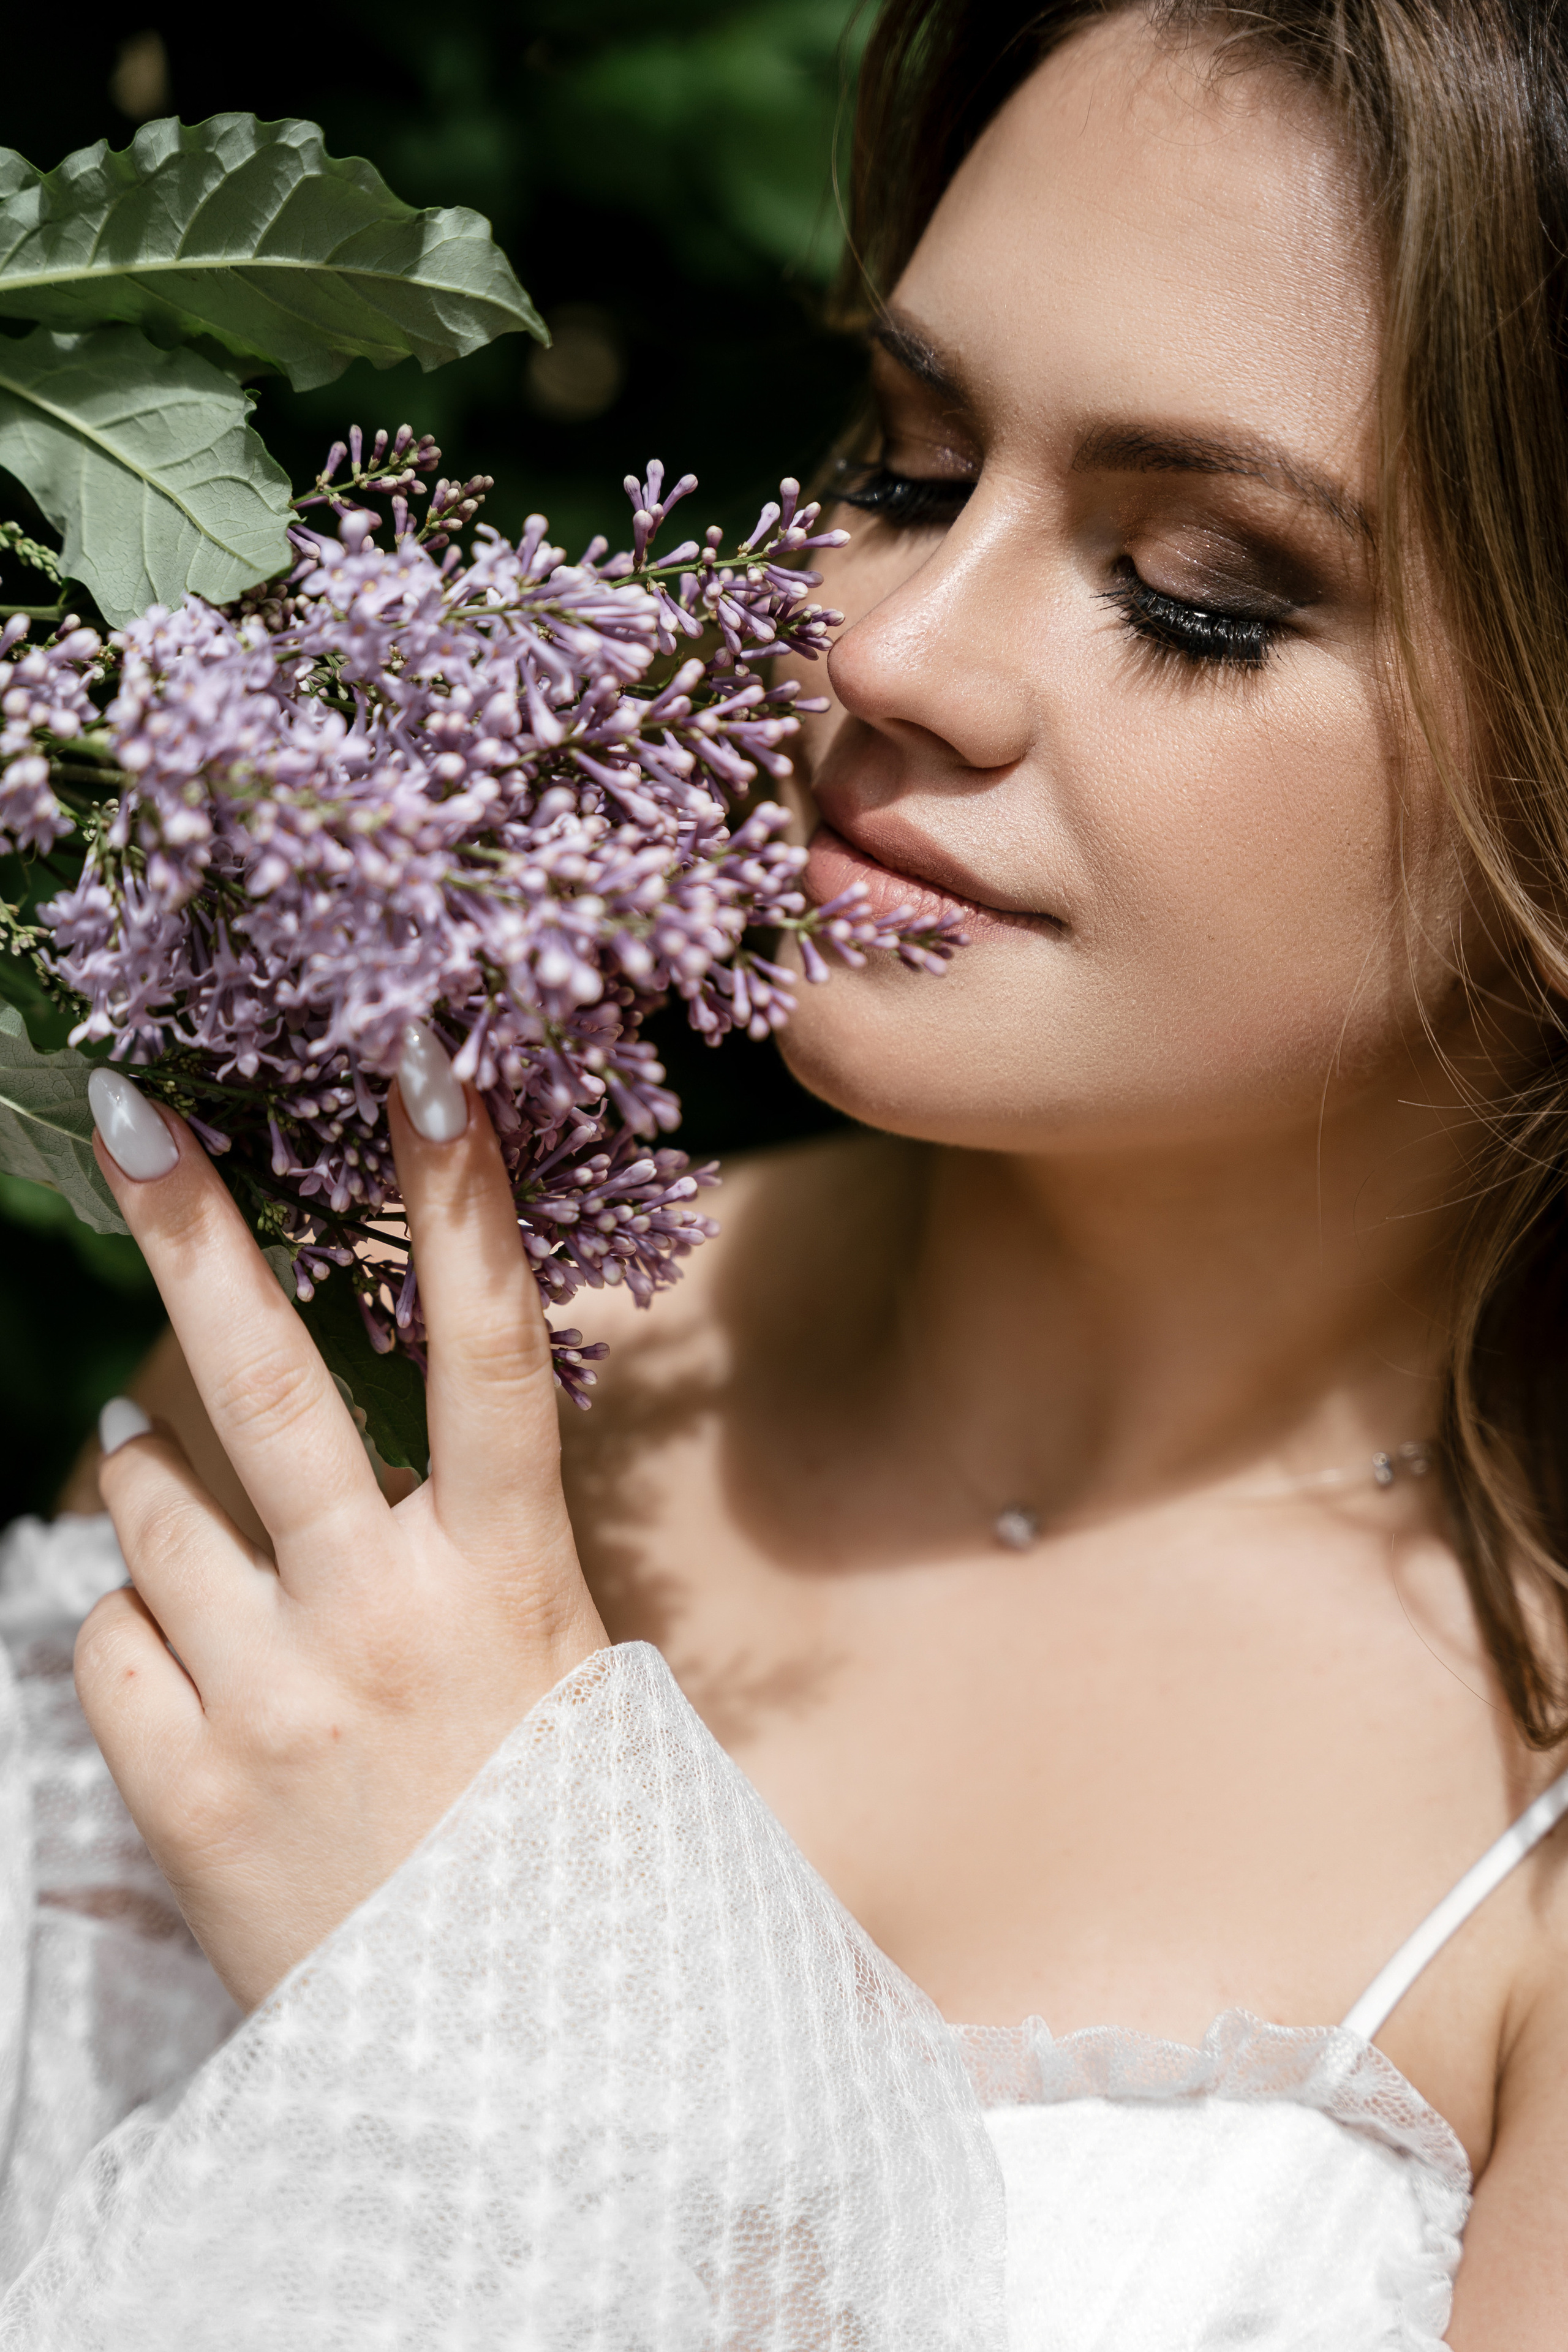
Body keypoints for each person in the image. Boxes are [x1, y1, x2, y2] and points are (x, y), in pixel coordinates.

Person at [1, 0, 1565, 2339]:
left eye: (1197, 592)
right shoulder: (378, 1389)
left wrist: (507, 2012)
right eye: (915, 467)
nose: (895, 649)